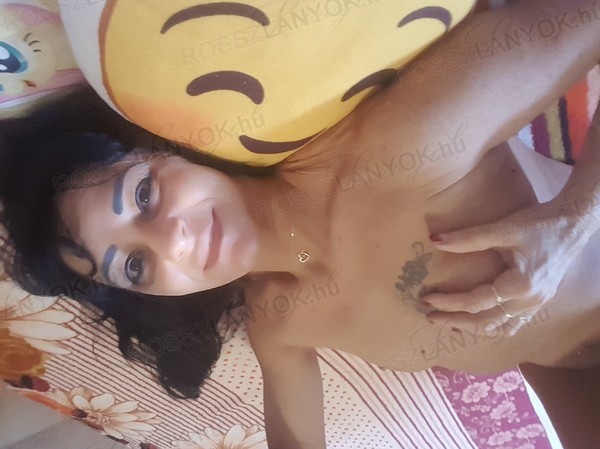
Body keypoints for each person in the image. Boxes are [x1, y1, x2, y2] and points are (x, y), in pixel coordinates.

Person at [1, 1, 599, 448]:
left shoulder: (407, 145)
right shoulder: (280, 318)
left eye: (144, 196)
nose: (173, 241)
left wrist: (572, 220)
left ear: (164, 149)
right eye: (134, 265)